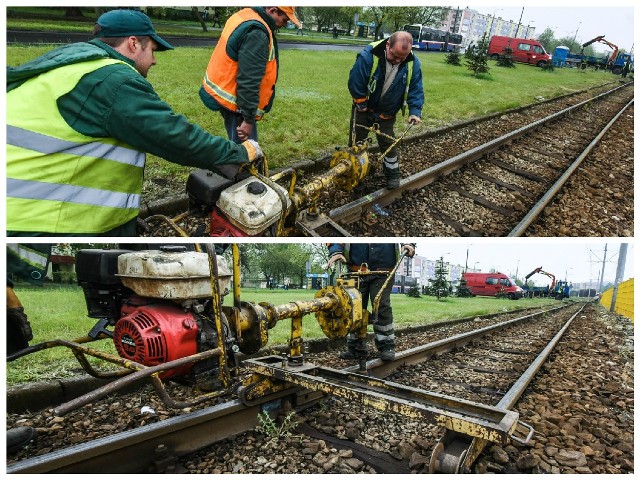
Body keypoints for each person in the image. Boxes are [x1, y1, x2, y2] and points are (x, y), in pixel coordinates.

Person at [7, 9, 263, 237]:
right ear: (133, 43)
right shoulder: (113, 80)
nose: (154, 60)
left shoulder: (74, 64)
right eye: (151, 49)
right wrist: (238, 154)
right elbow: (172, 135)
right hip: (41, 218)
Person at [200, 7, 301, 143]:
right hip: (237, 103)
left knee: (241, 147)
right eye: (284, 20)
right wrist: (248, 119)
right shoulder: (257, 33)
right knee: (247, 151)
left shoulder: (246, 15)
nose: (284, 24)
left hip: (228, 93)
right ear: (272, 10)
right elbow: (249, 79)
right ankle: (240, 163)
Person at [348, 31, 424, 189]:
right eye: (394, 55)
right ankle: (355, 177)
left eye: (401, 58)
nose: (397, 60)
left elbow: (416, 88)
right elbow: (356, 79)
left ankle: (393, 174)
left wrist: (415, 111)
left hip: (387, 113)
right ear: (388, 44)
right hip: (364, 109)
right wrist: (361, 102)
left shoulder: (412, 63)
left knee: (388, 143)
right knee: (357, 145)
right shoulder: (369, 54)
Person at [326, 243, 415, 361]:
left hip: (383, 271)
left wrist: (408, 244)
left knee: (381, 306)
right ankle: (355, 346)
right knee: (353, 307)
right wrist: (336, 251)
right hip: (355, 271)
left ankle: (386, 346)